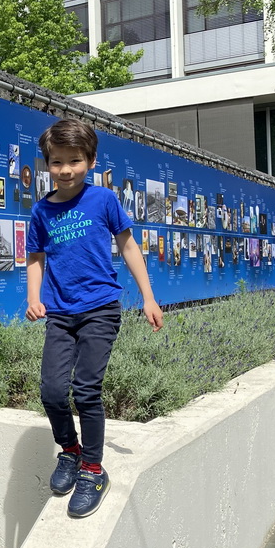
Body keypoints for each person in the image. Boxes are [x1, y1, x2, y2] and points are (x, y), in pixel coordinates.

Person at [26, 118, 163, 519]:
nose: (66, 170)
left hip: (100, 308)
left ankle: (92, 469)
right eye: (56, 162)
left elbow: (129, 247)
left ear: (91, 160)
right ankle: (69, 451)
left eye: (74, 161)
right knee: (52, 391)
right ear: (46, 164)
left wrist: (149, 298)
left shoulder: (103, 200)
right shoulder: (40, 212)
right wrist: (33, 297)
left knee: (86, 390)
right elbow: (35, 259)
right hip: (60, 314)